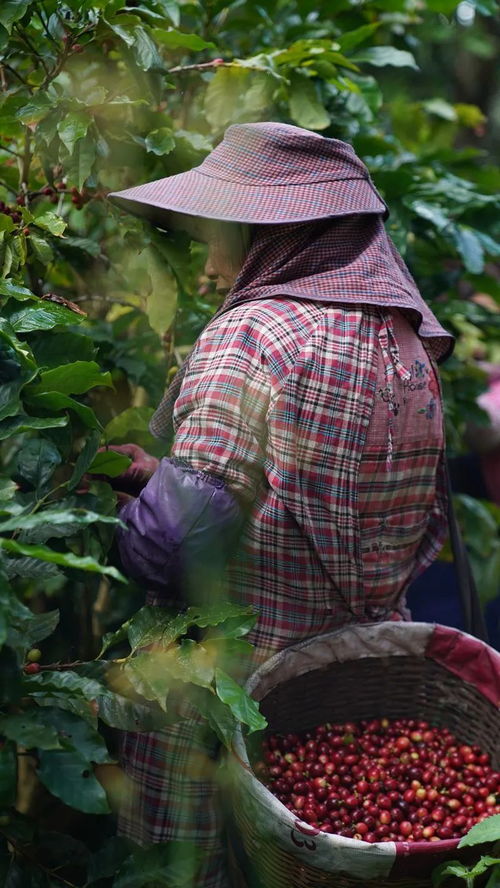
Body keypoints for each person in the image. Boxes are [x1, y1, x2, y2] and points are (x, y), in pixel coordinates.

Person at [107, 122, 453, 886]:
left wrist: (137, 511)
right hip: (352, 698)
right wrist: (162, 479)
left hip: (232, 709)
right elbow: (322, 496)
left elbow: (172, 549)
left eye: (215, 234)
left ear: (268, 230)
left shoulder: (257, 334)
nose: (208, 258)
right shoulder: (408, 346)